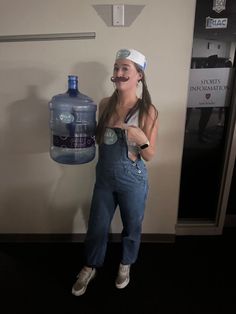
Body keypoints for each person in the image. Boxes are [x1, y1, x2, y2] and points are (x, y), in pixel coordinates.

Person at [72, 48, 158, 296]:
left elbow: (150, 155)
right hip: (105, 178)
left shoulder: (148, 110)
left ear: (139, 75)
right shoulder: (104, 104)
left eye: (125, 69)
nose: (119, 73)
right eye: (116, 68)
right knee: (97, 226)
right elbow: (100, 139)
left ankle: (125, 263)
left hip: (133, 179)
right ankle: (91, 265)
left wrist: (142, 139)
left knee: (132, 226)